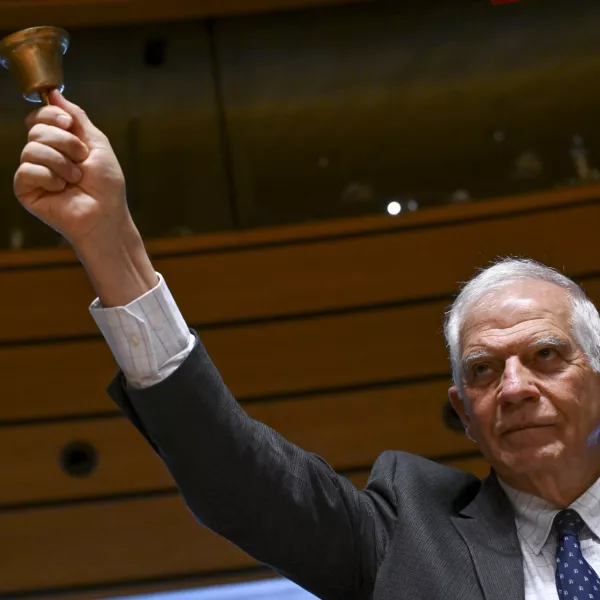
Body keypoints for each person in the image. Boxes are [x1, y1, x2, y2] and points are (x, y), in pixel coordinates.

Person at [14, 90, 600, 600]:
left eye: (546, 355)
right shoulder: (410, 537)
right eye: (484, 370)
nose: (516, 388)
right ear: (464, 414)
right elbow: (236, 475)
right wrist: (109, 239)